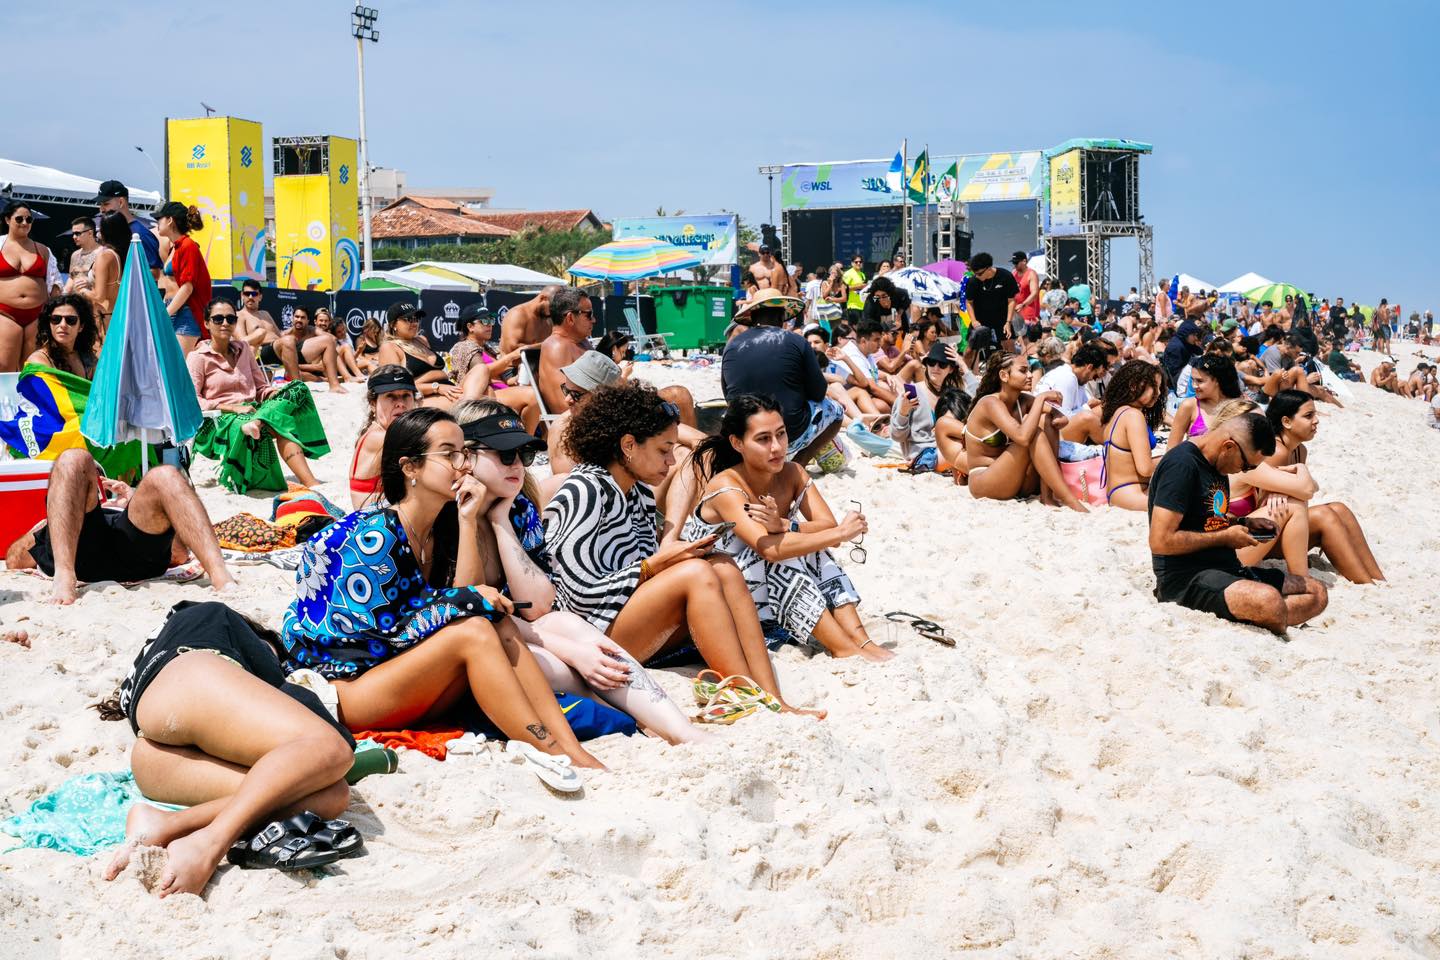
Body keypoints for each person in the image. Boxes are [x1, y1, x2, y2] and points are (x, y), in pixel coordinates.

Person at [282, 406, 603, 769]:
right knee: (474, 631)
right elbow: (371, 642)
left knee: (489, 618)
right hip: (350, 690)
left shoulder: (442, 524)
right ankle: (549, 748)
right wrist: (460, 602)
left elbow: (467, 600)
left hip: (404, 680)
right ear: (410, 468)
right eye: (449, 454)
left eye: (463, 452)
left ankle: (570, 748)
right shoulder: (372, 537)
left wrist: (467, 521)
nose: (463, 464)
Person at [544, 381, 822, 717]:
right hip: (591, 633)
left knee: (721, 564)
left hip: (624, 616)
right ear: (629, 445)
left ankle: (771, 695)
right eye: (664, 450)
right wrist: (654, 565)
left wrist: (664, 562)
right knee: (695, 573)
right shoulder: (584, 490)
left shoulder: (638, 493)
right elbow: (577, 591)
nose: (671, 459)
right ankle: (744, 689)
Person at [449, 399, 704, 743]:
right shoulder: (448, 518)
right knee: (564, 664)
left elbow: (538, 606)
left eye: (523, 455)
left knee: (566, 628)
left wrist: (500, 522)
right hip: (466, 643)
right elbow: (465, 611)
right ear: (464, 457)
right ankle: (630, 721)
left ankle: (681, 732)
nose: (519, 466)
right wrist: (571, 651)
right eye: (504, 455)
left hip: (516, 629)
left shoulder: (517, 509)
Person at [98, 601, 359, 897]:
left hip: (156, 755)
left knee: (330, 795)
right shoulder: (217, 617)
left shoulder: (163, 645)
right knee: (330, 747)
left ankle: (167, 824)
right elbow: (328, 736)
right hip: (191, 677)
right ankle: (208, 843)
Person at [684, 395, 892, 663]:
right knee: (783, 551)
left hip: (766, 592)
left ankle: (862, 640)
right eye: (763, 439)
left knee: (812, 548)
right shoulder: (728, 487)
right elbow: (768, 549)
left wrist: (786, 524)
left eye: (780, 435)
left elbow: (825, 525)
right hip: (725, 596)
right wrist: (839, 534)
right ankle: (843, 647)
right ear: (738, 443)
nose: (777, 447)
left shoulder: (792, 472)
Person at [1146, 411, 1328, 633]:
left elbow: (1208, 517)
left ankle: (1269, 615)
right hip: (1187, 578)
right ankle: (1269, 614)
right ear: (1229, 447)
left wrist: (1244, 522)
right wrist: (1225, 537)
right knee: (1269, 600)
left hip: (1225, 568)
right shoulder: (1182, 465)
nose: (1244, 471)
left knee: (1316, 591)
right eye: (1247, 465)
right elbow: (1160, 540)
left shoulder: (1217, 464)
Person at [5, 449, 236, 605]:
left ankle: (221, 576)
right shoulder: (59, 525)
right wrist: (53, 521)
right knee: (72, 458)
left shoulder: (126, 507)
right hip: (80, 556)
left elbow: (178, 555)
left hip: (134, 550)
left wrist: (136, 501)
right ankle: (65, 579)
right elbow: (14, 560)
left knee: (164, 474)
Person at [1230, 390, 1384, 584]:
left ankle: (1377, 578)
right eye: (1308, 415)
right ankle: (1365, 582)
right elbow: (1299, 493)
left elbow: (1308, 487)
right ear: (1286, 422)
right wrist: (1295, 482)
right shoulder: (1277, 451)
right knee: (1324, 515)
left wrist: (1291, 487)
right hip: (1261, 535)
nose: (1316, 420)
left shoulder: (1300, 450)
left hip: (1275, 528)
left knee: (1339, 508)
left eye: (1315, 414)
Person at [189, 300, 329, 493]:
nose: (224, 323)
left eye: (230, 319)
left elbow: (261, 387)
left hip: (254, 411)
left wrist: (274, 393)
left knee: (298, 388)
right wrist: (233, 407)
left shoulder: (243, 350)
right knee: (277, 422)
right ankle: (260, 421)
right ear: (206, 323)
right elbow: (193, 400)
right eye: (218, 318)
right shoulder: (198, 357)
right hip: (221, 419)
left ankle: (310, 482)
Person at [720, 289, 841, 468]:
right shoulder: (797, 341)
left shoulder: (731, 347)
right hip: (788, 431)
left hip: (745, 431)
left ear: (752, 317)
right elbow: (819, 392)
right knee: (836, 411)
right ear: (781, 317)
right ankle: (799, 463)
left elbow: (728, 394)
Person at [964, 353, 1088, 512]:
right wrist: (1040, 398)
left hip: (1016, 479)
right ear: (1004, 375)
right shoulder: (990, 403)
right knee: (1033, 433)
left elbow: (1059, 417)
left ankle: (1047, 495)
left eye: (1029, 370)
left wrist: (1057, 417)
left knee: (1048, 423)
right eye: (1023, 371)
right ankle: (1068, 498)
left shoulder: (1022, 400)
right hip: (986, 481)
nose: (1030, 375)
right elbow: (1022, 438)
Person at [455, 303, 540, 431]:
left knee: (540, 389)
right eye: (484, 321)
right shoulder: (465, 346)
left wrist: (516, 378)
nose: (489, 324)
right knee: (532, 396)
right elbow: (482, 372)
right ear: (470, 327)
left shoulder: (489, 349)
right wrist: (511, 356)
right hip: (484, 396)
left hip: (499, 392)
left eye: (491, 320)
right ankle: (526, 442)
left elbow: (502, 380)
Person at [1097, 360, 1166, 510]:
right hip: (1131, 492)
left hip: (1121, 492)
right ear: (1134, 386)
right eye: (1154, 387)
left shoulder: (1118, 412)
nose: (1159, 393)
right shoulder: (1133, 416)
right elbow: (1146, 469)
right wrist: (1172, 458)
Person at [892, 341, 971, 469]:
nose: (936, 368)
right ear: (926, 365)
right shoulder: (912, 393)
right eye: (932, 362)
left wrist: (963, 365)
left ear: (951, 369)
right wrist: (903, 413)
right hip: (925, 454)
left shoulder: (953, 394)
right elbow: (897, 436)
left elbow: (981, 401)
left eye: (942, 364)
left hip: (949, 449)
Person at [350, 365, 420, 509]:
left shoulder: (380, 430)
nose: (400, 403)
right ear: (373, 403)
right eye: (391, 396)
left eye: (406, 395)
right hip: (375, 521)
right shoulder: (380, 437)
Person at [1, 201, 54, 372]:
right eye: (19, 219)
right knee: (5, 365)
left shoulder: (42, 249)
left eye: (29, 219)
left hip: (37, 313)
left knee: (32, 368)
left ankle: (28, 400)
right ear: (8, 220)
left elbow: (54, 282)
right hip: (5, 312)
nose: (25, 223)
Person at [152, 201, 210, 355]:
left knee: (179, 366)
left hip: (185, 311)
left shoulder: (188, 246)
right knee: (169, 363)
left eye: (159, 218)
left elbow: (187, 287)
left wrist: (165, 313)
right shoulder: (175, 246)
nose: (157, 222)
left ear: (170, 220)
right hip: (172, 308)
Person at [377, 301, 455, 405]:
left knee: (481, 369)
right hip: (420, 398)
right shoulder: (390, 347)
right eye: (408, 319)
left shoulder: (422, 340)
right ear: (393, 324)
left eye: (416, 318)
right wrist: (436, 386)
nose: (414, 323)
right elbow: (396, 387)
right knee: (465, 402)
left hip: (445, 389)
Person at [265, 305, 349, 393]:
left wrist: (320, 356)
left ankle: (335, 385)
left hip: (306, 357)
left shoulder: (312, 330)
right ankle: (318, 382)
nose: (299, 320)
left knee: (329, 341)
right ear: (292, 318)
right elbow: (285, 364)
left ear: (308, 321)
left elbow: (333, 339)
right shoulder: (285, 335)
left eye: (302, 318)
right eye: (296, 317)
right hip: (292, 362)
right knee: (290, 371)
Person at [1038, 341, 1109, 443]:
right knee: (1088, 417)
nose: (1093, 379)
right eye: (1095, 375)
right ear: (1089, 367)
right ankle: (1115, 447)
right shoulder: (1067, 377)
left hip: (1059, 429)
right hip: (1052, 433)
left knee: (1103, 408)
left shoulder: (1078, 380)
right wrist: (1087, 407)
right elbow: (1062, 418)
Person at [93, 180, 162, 278]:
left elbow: (155, 273)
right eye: (100, 204)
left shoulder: (141, 233)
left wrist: (120, 276)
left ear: (121, 202)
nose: (101, 209)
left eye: (106, 204)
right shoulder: (110, 233)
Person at [1170, 354, 1244, 441]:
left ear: (1217, 381)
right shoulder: (1189, 406)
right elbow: (1171, 449)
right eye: (1192, 380)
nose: (1194, 385)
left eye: (1199, 381)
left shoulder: (1240, 407)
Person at [26, 295, 98, 379]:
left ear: (81, 326)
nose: (63, 325)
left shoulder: (88, 359)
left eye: (71, 320)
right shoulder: (39, 360)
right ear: (49, 324)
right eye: (56, 319)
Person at [967, 253, 1020, 351]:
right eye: (975, 273)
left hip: (1001, 318)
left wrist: (1008, 322)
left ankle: (1010, 366)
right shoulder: (973, 281)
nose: (977, 276)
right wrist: (974, 321)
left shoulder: (1005, 276)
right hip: (980, 318)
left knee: (1009, 346)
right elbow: (969, 302)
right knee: (970, 350)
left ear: (988, 268)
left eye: (979, 274)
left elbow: (1011, 301)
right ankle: (966, 366)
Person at [88, 212, 129, 334]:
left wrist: (81, 291)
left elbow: (99, 296)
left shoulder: (105, 256)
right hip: (116, 314)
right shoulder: (122, 255)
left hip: (103, 317)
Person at [500, 284, 560, 355]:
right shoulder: (518, 314)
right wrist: (547, 345)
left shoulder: (548, 318)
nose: (554, 311)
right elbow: (511, 348)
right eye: (552, 307)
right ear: (543, 298)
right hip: (513, 365)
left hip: (538, 365)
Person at [313, 307, 366, 383]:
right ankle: (351, 376)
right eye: (321, 321)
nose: (323, 323)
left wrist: (358, 352)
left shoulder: (330, 336)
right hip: (322, 367)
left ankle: (359, 375)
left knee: (366, 362)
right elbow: (316, 362)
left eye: (326, 321)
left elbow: (342, 358)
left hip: (333, 366)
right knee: (344, 347)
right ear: (315, 321)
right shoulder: (311, 334)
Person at [62, 217, 103, 299]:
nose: (74, 237)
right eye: (73, 233)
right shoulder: (75, 255)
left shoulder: (102, 253)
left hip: (94, 303)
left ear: (90, 233)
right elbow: (72, 277)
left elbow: (108, 281)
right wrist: (63, 295)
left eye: (77, 233)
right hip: (76, 303)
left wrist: (90, 281)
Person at [1011, 252, 1040, 332]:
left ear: (1024, 261)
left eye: (1016, 263)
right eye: (1013, 263)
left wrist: (1023, 304)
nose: (1015, 265)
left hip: (1028, 310)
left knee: (1026, 336)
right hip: (1015, 311)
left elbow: (1034, 293)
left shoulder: (1031, 274)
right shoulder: (1013, 273)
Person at [842, 254, 867, 320]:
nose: (858, 263)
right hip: (852, 306)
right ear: (852, 263)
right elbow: (843, 288)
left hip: (862, 306)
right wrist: (858, 286)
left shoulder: (862, 274)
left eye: (860, 262)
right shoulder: (848, 273)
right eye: (856, 262)